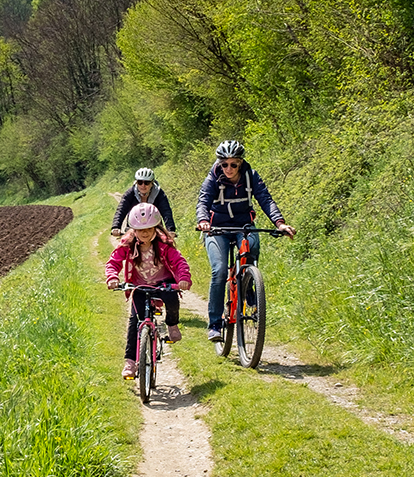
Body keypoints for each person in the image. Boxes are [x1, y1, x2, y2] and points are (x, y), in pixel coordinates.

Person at [196, 140, 295, 342]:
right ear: (219, 164)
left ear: (241, 163)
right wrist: (203, 220)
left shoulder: (251, 176)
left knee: (252, 249)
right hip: (217, 228)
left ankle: (249, 282)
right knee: (220, 270)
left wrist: (280, 223)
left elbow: (265, 199)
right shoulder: (212, 178)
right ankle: (215, 323)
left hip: (244, 225)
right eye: (225, 164)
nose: (229, 169)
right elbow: (204, 201)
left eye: (234, 164)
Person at [105, 202, 192, 379]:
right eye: (140, 229)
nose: (145, 233)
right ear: (133, 230)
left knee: (172, 299)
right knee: (134, 323)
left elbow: (179, 262)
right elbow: (113, 262)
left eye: (149, 229)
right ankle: (130, 362)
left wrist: (183, 279)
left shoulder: (164, 245)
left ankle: (172, 324)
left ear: (156, 228)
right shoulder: (128, 245)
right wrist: (113, 277)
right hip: (139, 286)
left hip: (163, 284)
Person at [110, 167, 176, 241]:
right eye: (140, 182)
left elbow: (166, 211)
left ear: (152, 183)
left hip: (154, 229)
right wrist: (116, 226)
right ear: (136, 182)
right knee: (126, 247)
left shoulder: (159, 194)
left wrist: (170, 229)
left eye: (147, 183)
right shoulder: (130, 193)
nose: (143, 185)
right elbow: (121, 209)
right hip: (134, 228)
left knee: (164, 248)